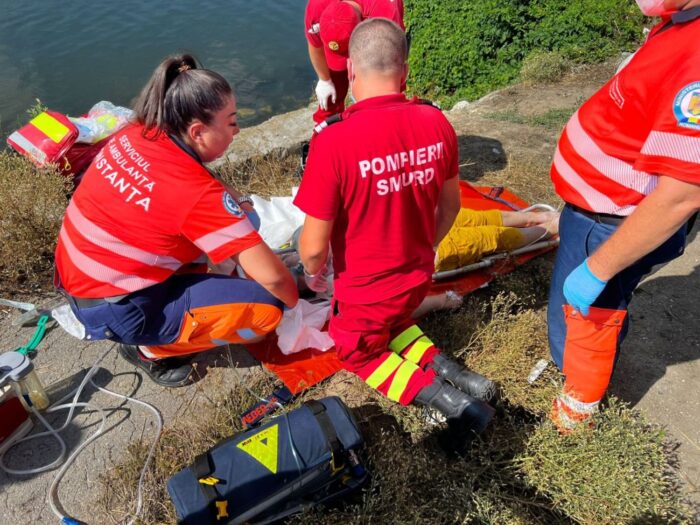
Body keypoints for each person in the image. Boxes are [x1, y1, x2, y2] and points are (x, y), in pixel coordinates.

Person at [294, 18, 496, 448]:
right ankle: (459, 374)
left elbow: (311, 250)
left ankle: (454, 403)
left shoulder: (333, 142)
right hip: (418, 275)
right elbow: (452, 206)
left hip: (366, 291)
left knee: (358, 350)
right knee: (394, 321)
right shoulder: (435, 122)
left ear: (349, 70)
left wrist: (315, 277)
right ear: (403, 72)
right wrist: (426, 246)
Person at [54, 54, 298, 388]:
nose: (237, 130)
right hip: (118, 308)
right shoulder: (196, 194)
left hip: (80, 276)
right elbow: (279, 285)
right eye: (230, 122)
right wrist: (299, 288)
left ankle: (162, 315)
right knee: (267, 309)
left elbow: (205, 194)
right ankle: (152, 349)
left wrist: (239, 212)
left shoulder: (138, 133)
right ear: (197, 131)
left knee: (238, 230)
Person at [547, 0, 700, 432]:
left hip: (612, 221)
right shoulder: (680, 19)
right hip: (605, 210)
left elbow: (682, 195)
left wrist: (597, 267)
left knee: (583, 323)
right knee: (607, 305)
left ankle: (576, 411)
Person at [305, 0, 405, 124]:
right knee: (333, 94)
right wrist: (325, 80)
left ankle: (390, 124)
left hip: (380, 41)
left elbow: (391, 62)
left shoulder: (385, 13)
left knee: (385, 97)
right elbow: (315, 44)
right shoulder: (317, 7)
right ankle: (324, 130)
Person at [434, 208, 559, 272]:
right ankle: (549, 229)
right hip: (424, 255)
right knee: (489, 237)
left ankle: (533, 218)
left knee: (477, 218)